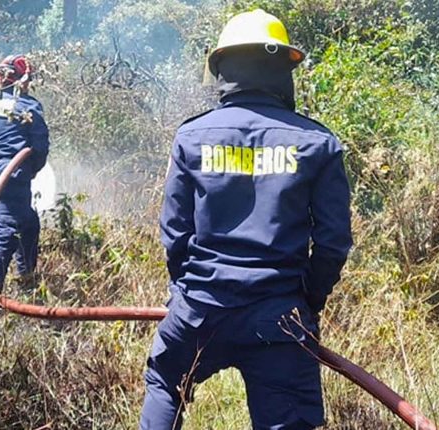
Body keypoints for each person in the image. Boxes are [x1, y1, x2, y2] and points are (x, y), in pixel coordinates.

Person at [140, 9, 352, 430]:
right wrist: (305, 301)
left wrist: (188, 292)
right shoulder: (317, 142)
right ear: (282, 69)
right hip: (279, 320)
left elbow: (175, 234)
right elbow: (332, 243)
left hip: (199, 311)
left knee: (166, 385)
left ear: (223, 68)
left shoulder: (192, 136)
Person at [0, 55, 50, 291]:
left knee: (28, 223)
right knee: (6, 233)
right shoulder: (28, 106)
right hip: (9, 175)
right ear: (22, 80)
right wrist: (27, 173)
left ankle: (26, 279)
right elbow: (39, 148)